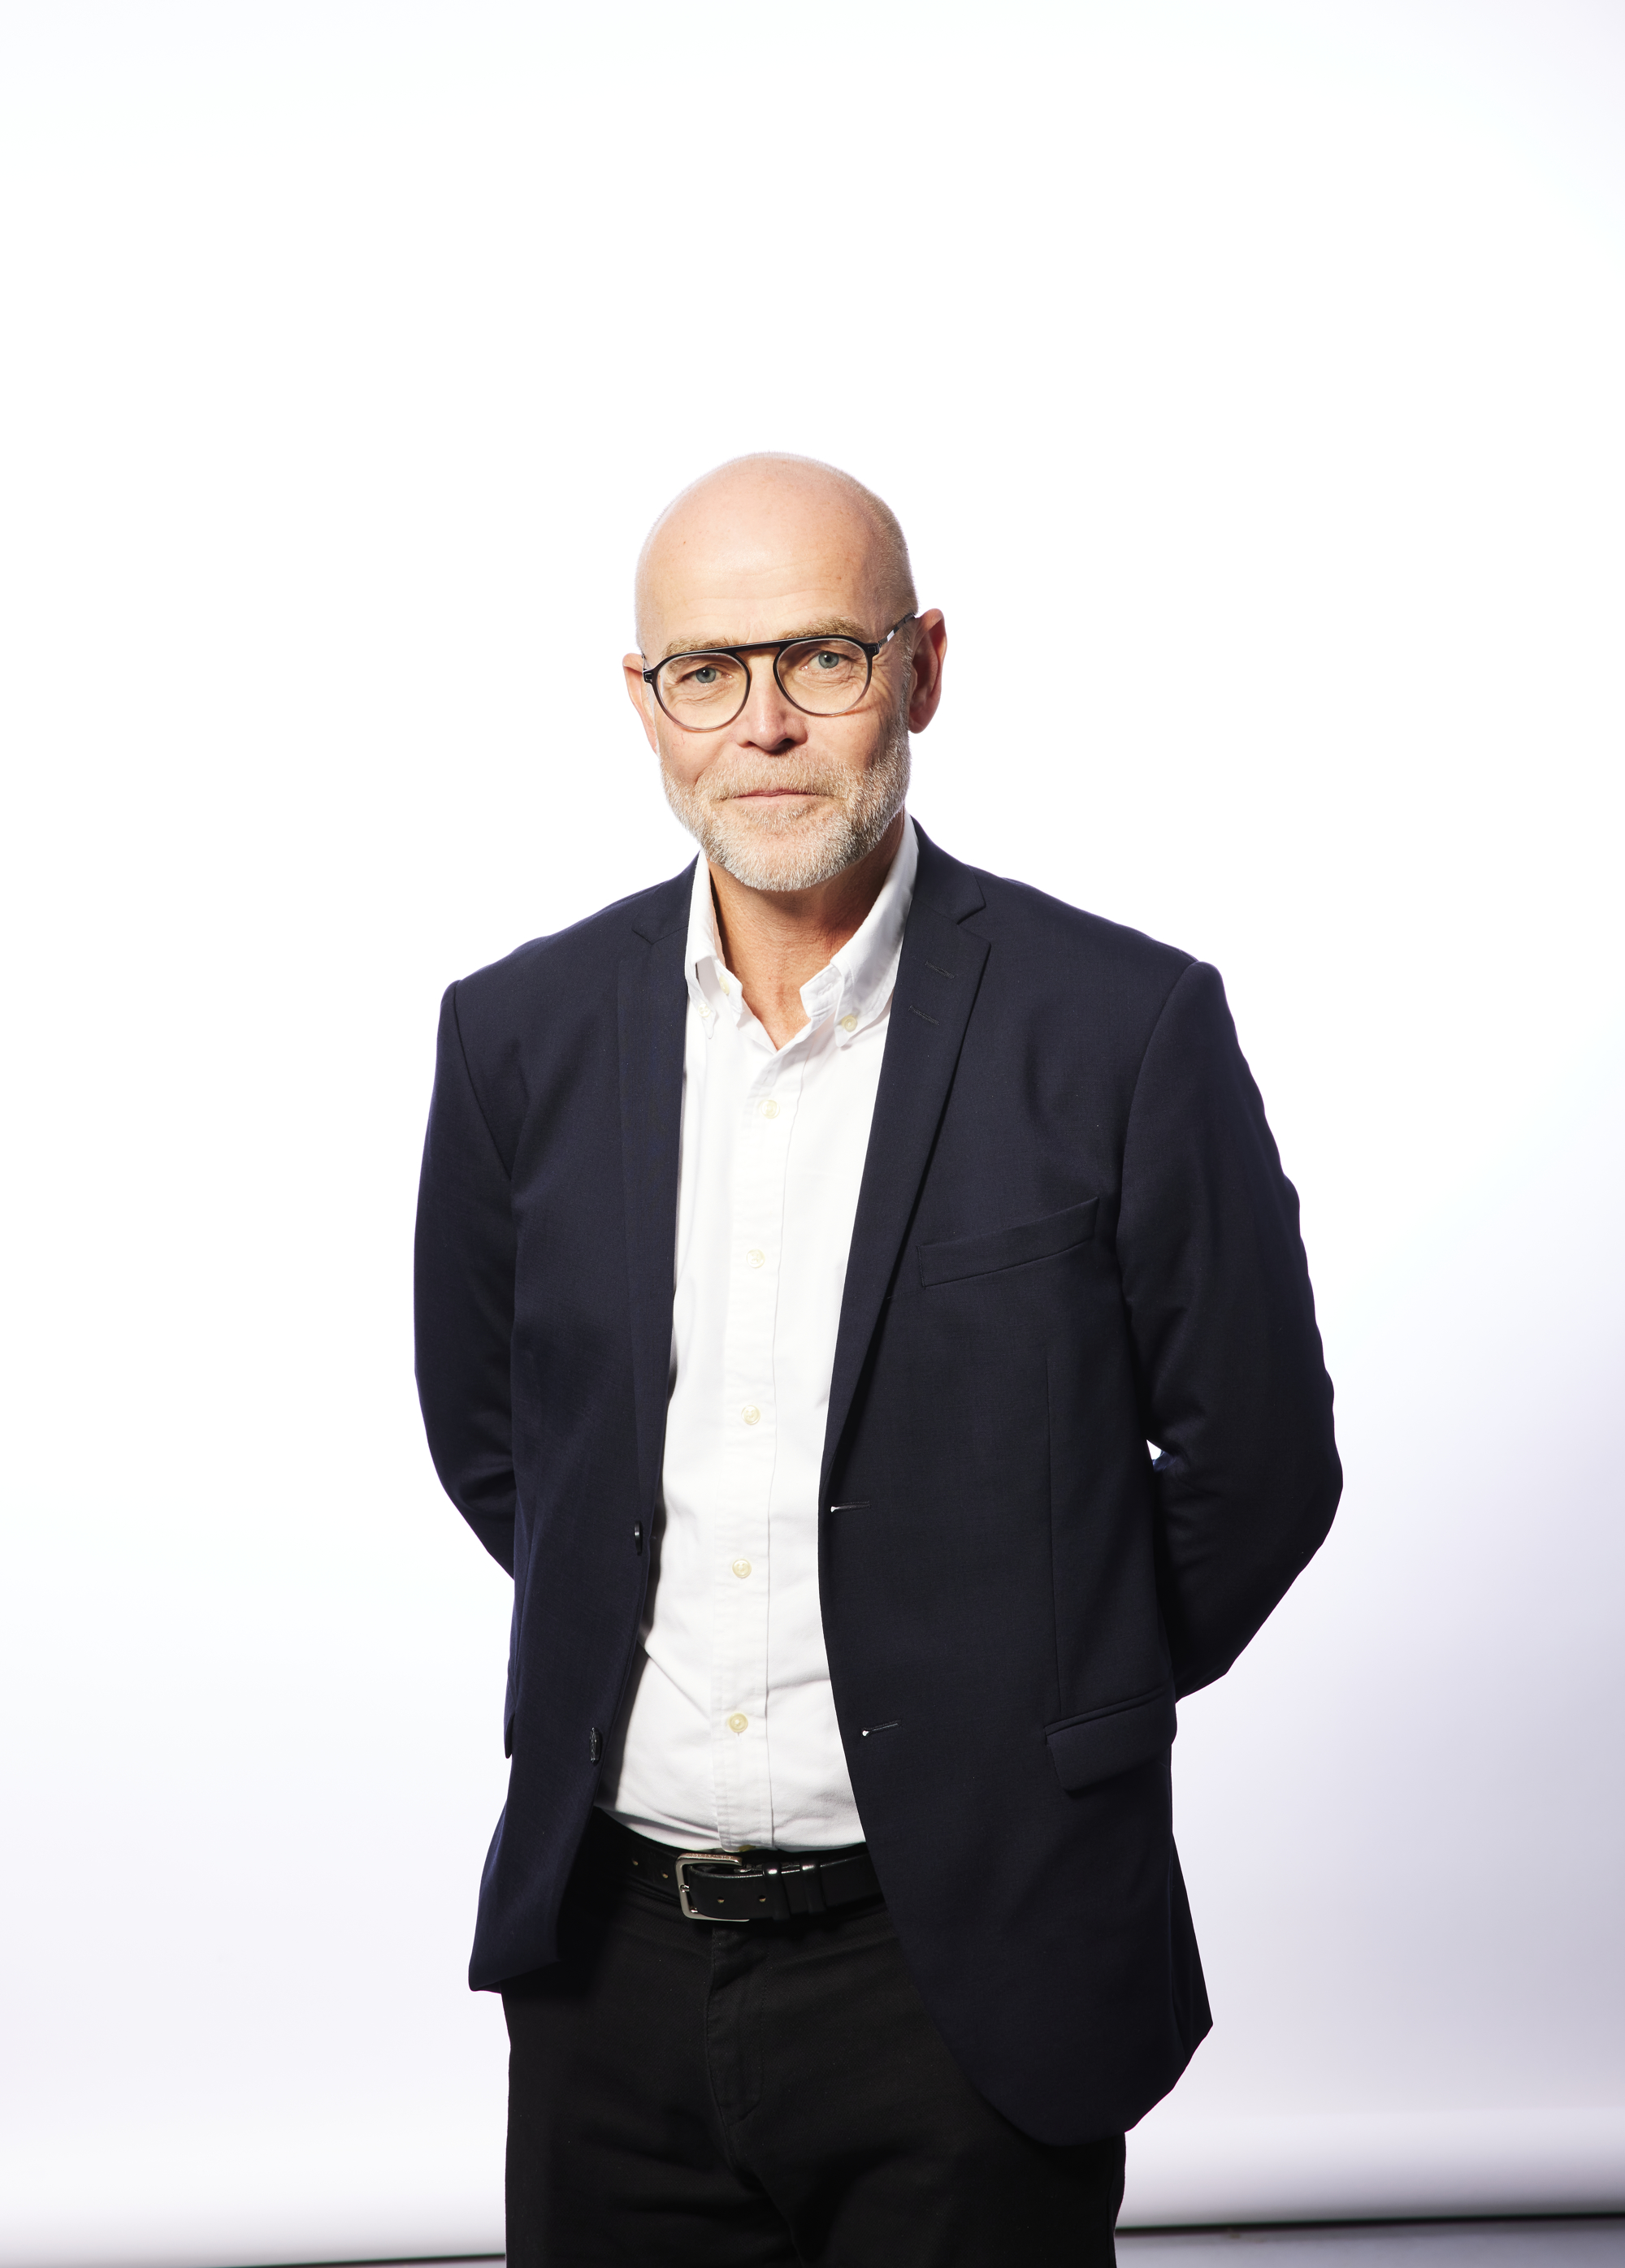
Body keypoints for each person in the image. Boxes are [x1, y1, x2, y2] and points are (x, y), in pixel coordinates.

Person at [414, 452, 1341, 2266]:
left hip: (973, 1970)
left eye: (822, 658)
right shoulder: (515, 1035)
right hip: (611, 1977)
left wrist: (1041, 1695)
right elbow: (500, 1442)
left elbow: (1259, 1471)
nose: (763, 724)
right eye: (708, 670)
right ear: (644, 703)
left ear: (921, 669)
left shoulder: (1124, 1028)